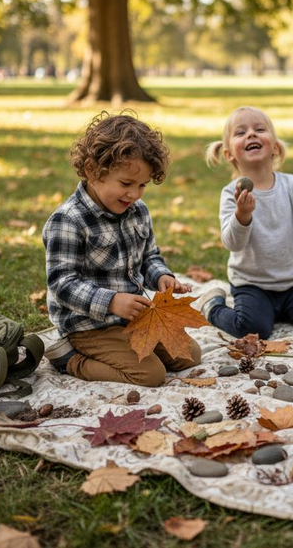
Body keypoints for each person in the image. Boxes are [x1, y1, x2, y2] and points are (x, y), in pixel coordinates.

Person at [42, 111, 201, 386]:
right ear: (93, 171)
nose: (135, 194)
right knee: (151, 374)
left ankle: (130, 349)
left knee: (189, 355)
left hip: (134, 318)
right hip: (89, 325)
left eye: (142, 185)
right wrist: (112, 302)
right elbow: (62, 282)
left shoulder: (137, 211)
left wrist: (162, 277)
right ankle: (70, 360)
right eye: (126, 184)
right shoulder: (68, 220)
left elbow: (148, 257)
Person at [198, 106, 293, 339]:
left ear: (274, 147)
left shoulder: (291, 185)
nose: (251, 135)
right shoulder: (230, 194)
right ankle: (213, 308)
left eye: (259, 129)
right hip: (251, 284)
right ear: (229, 154)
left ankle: (277, 310)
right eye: (240, 132)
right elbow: (232, 243)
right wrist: (242, 215)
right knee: (253, 329)